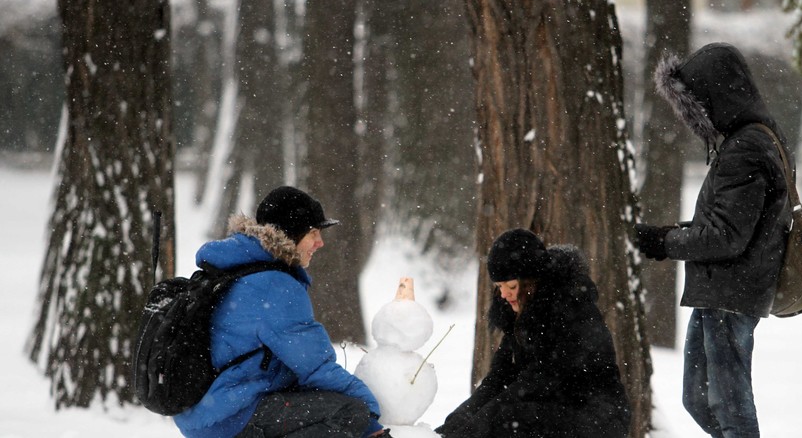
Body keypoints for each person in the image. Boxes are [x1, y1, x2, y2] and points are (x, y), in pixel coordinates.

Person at [634, 42, 793, 437]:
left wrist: (665, 241)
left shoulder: (747, 148)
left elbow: (728, 237)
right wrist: (669, 235)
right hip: (720, 292)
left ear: (715, 97)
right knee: (700, 398)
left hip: (731, 294)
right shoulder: (753, 138)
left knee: (728, 405)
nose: (693, 116)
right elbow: (731, 222)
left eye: (695, 104)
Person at [173, 186, 389, 438]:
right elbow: (315, 368)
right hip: (230, 418)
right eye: (313, 233)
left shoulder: (243, 267)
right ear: (293, 233)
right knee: (350, 412)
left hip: (210, 412)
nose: (320, 243)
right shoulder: (274, 285)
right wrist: (371, 411)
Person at [435, 228, 631, 438]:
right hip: (554, 410)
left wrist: (471, 429)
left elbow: (540, 381)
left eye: (510, 285)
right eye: (499, 286)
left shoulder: (571, 309)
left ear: (531, 281)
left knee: (510, 418)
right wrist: (453, 424)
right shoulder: (520, 314)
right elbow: (498, 379)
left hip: (597, 420)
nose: (503, 294)